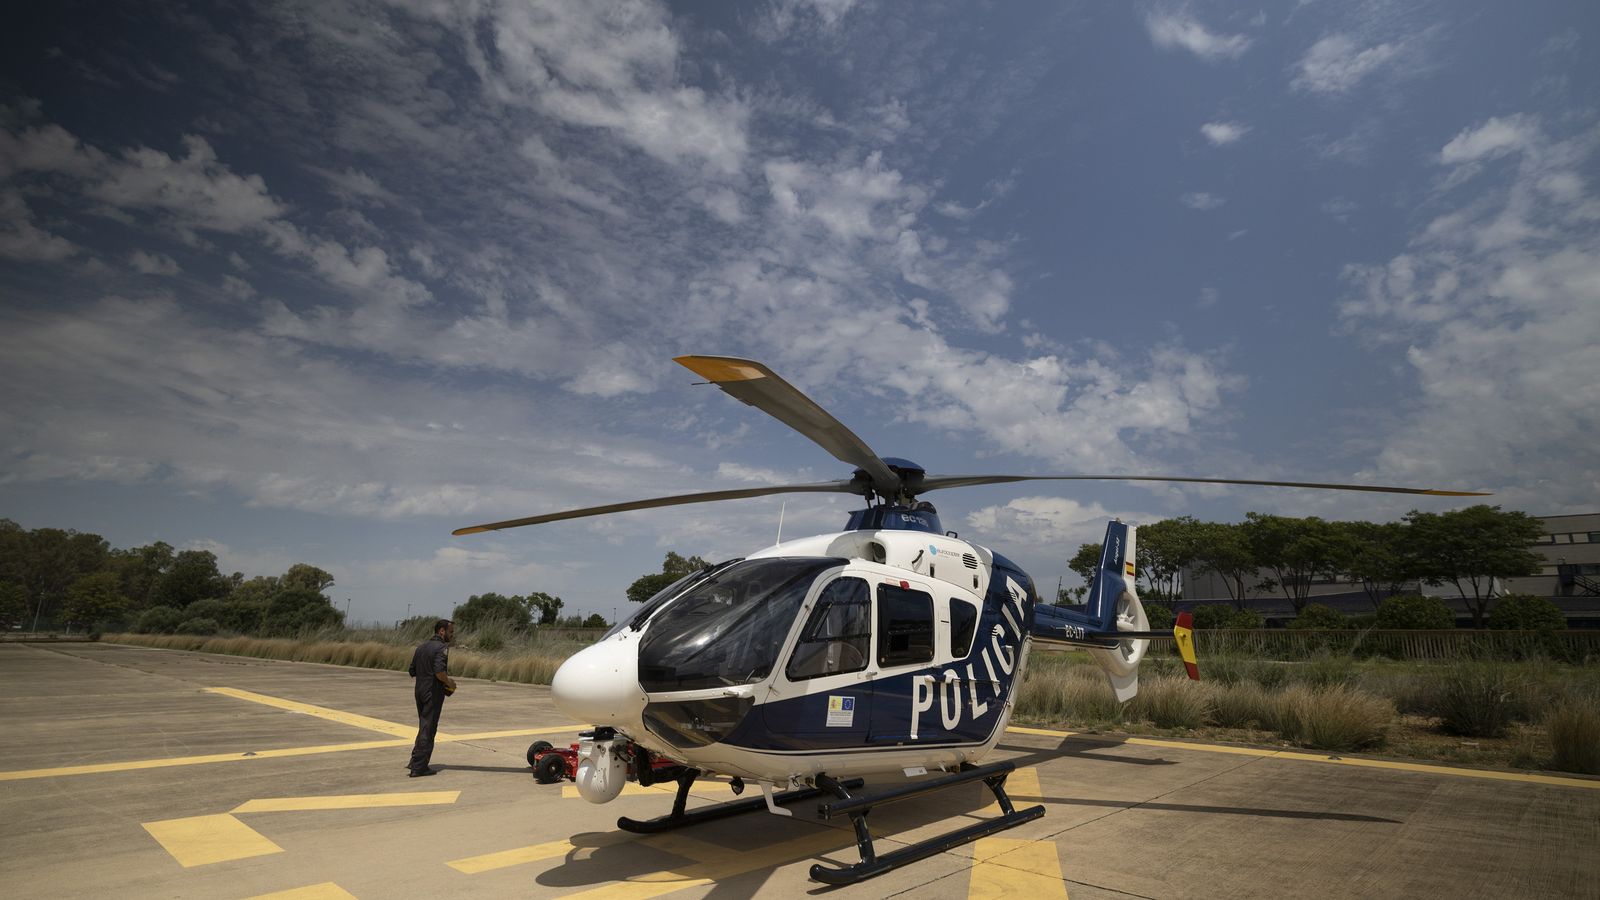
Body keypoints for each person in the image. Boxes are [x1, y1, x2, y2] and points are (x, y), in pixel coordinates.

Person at [406, 619, 457, 777]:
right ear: (441, 631)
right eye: (450, 632)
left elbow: (412, 670)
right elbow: (439, 672)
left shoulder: (421, 647)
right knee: (429, 728)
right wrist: (450, 683)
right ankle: (419, 767)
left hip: (419, 690)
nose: (452, 635)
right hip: (432, 692)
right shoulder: (442, 648)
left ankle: (414, 760)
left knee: (424, 725)